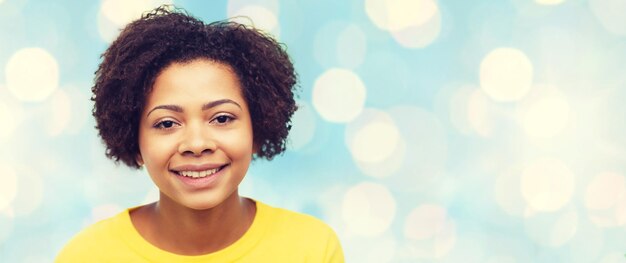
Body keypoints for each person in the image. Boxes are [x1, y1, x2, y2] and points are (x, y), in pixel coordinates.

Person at [56, 5, 344, 262]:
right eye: (167, 123)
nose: (196, 144)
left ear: (258, 129)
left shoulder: (312, 249)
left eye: (221, 118)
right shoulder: (86, 256)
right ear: (134, 141)